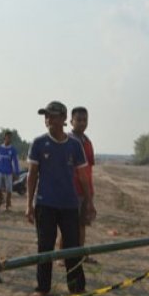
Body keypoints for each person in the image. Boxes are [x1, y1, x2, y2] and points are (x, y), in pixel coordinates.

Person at [26, 101, 95, 296]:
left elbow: (83, 176)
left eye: (53, 116)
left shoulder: (74, 145)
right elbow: (32, 176)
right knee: (44, 246)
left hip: (69, 204)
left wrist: (89, 202)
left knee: (72, 247)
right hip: (45, 204)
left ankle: (76, 286)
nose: (48, 120)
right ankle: (43, 287)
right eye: (46, 116)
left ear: (64, 119)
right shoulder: (38, 143)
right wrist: (28, 204)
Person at [69, 106, 97, 260]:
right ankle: (62, 256)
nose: (82, 123)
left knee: (83, 224)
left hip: (85, 190)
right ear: (71, 121)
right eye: (78, 120)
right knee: (68, 226)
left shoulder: (87, 142)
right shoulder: (68, 141)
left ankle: (80, 255)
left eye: (84, 120)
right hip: (71, 190)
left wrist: (90, 193)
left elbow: (89, 169)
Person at [0, 130, 20, 211]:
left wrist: (16, 173)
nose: (9, 139)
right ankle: (2, 199)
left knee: (9, 190)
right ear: (4, 138)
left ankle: (7, 205)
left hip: (8, 172)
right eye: (7, 137)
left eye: (10, 138)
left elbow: (15, 162)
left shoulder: (13, 150)